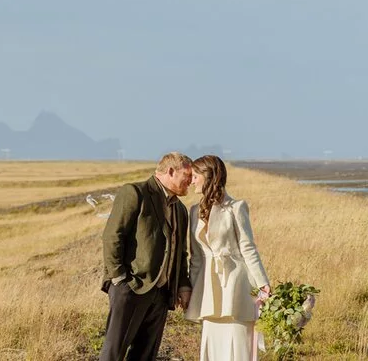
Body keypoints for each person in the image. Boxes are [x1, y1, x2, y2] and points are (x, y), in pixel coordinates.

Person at [99, 152, 193, 361]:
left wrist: (183, 285)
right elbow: (113, 236)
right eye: (187, 175)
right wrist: (120, 279)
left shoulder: (181, 210)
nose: (191, 181)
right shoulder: (135, 193)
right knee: (113, 353)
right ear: (170, 171)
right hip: (131, 288)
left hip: (161, 294)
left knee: (146, 355)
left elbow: (181, 252)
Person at [185, 155, 271, 361]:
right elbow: (195, 257)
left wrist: (263, 284)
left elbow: (248, 248)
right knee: (213, 343)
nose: (192, 181)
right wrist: (189, 290)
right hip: (207, 286)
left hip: (235, 283)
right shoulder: (194, 211)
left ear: (208, 177)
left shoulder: (236, 207)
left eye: (195, 176)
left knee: (237, 342)